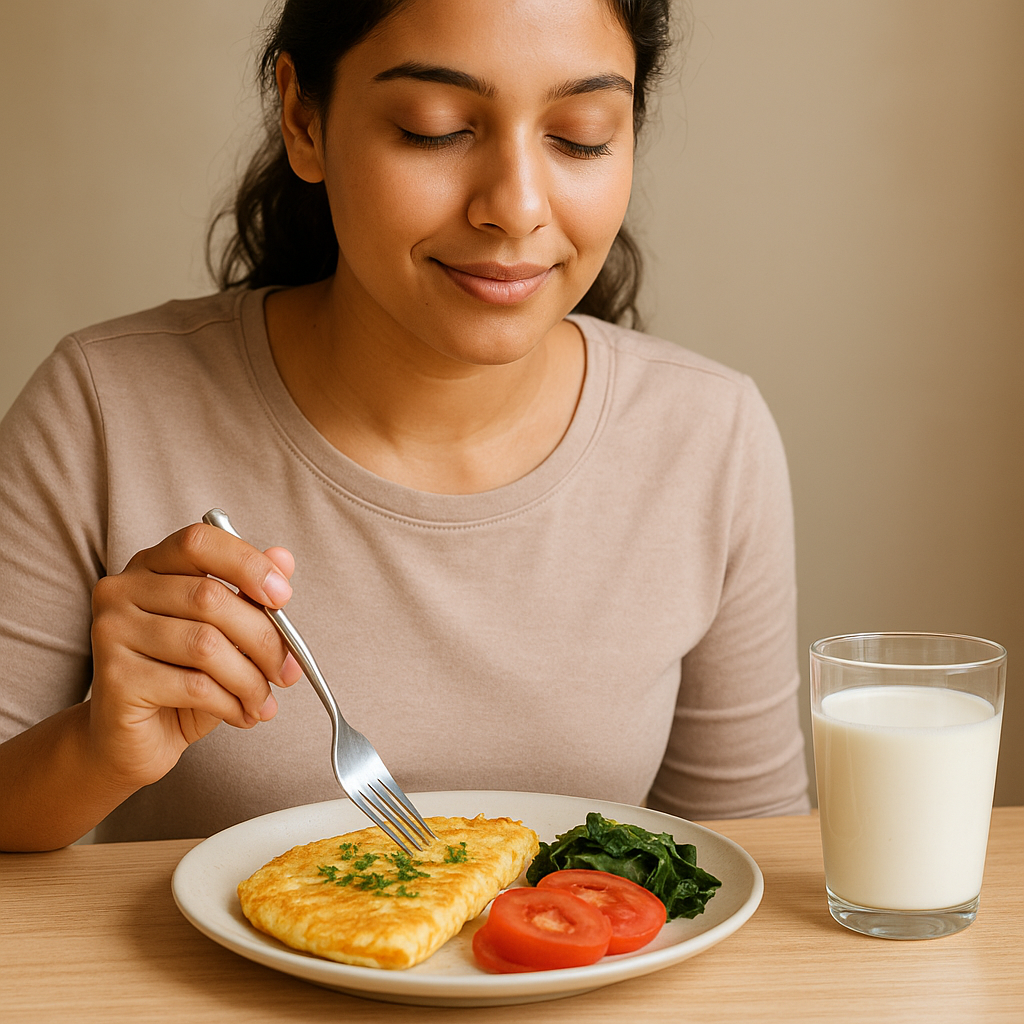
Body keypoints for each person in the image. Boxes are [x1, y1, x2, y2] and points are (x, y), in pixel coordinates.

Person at [0, 0, 809, 851]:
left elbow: (748, 860)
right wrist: (96, 750)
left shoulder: (711, 437)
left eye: (579, 135)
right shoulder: (103, 406)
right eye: (436, 129)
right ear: (305, 119)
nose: (517, 207)